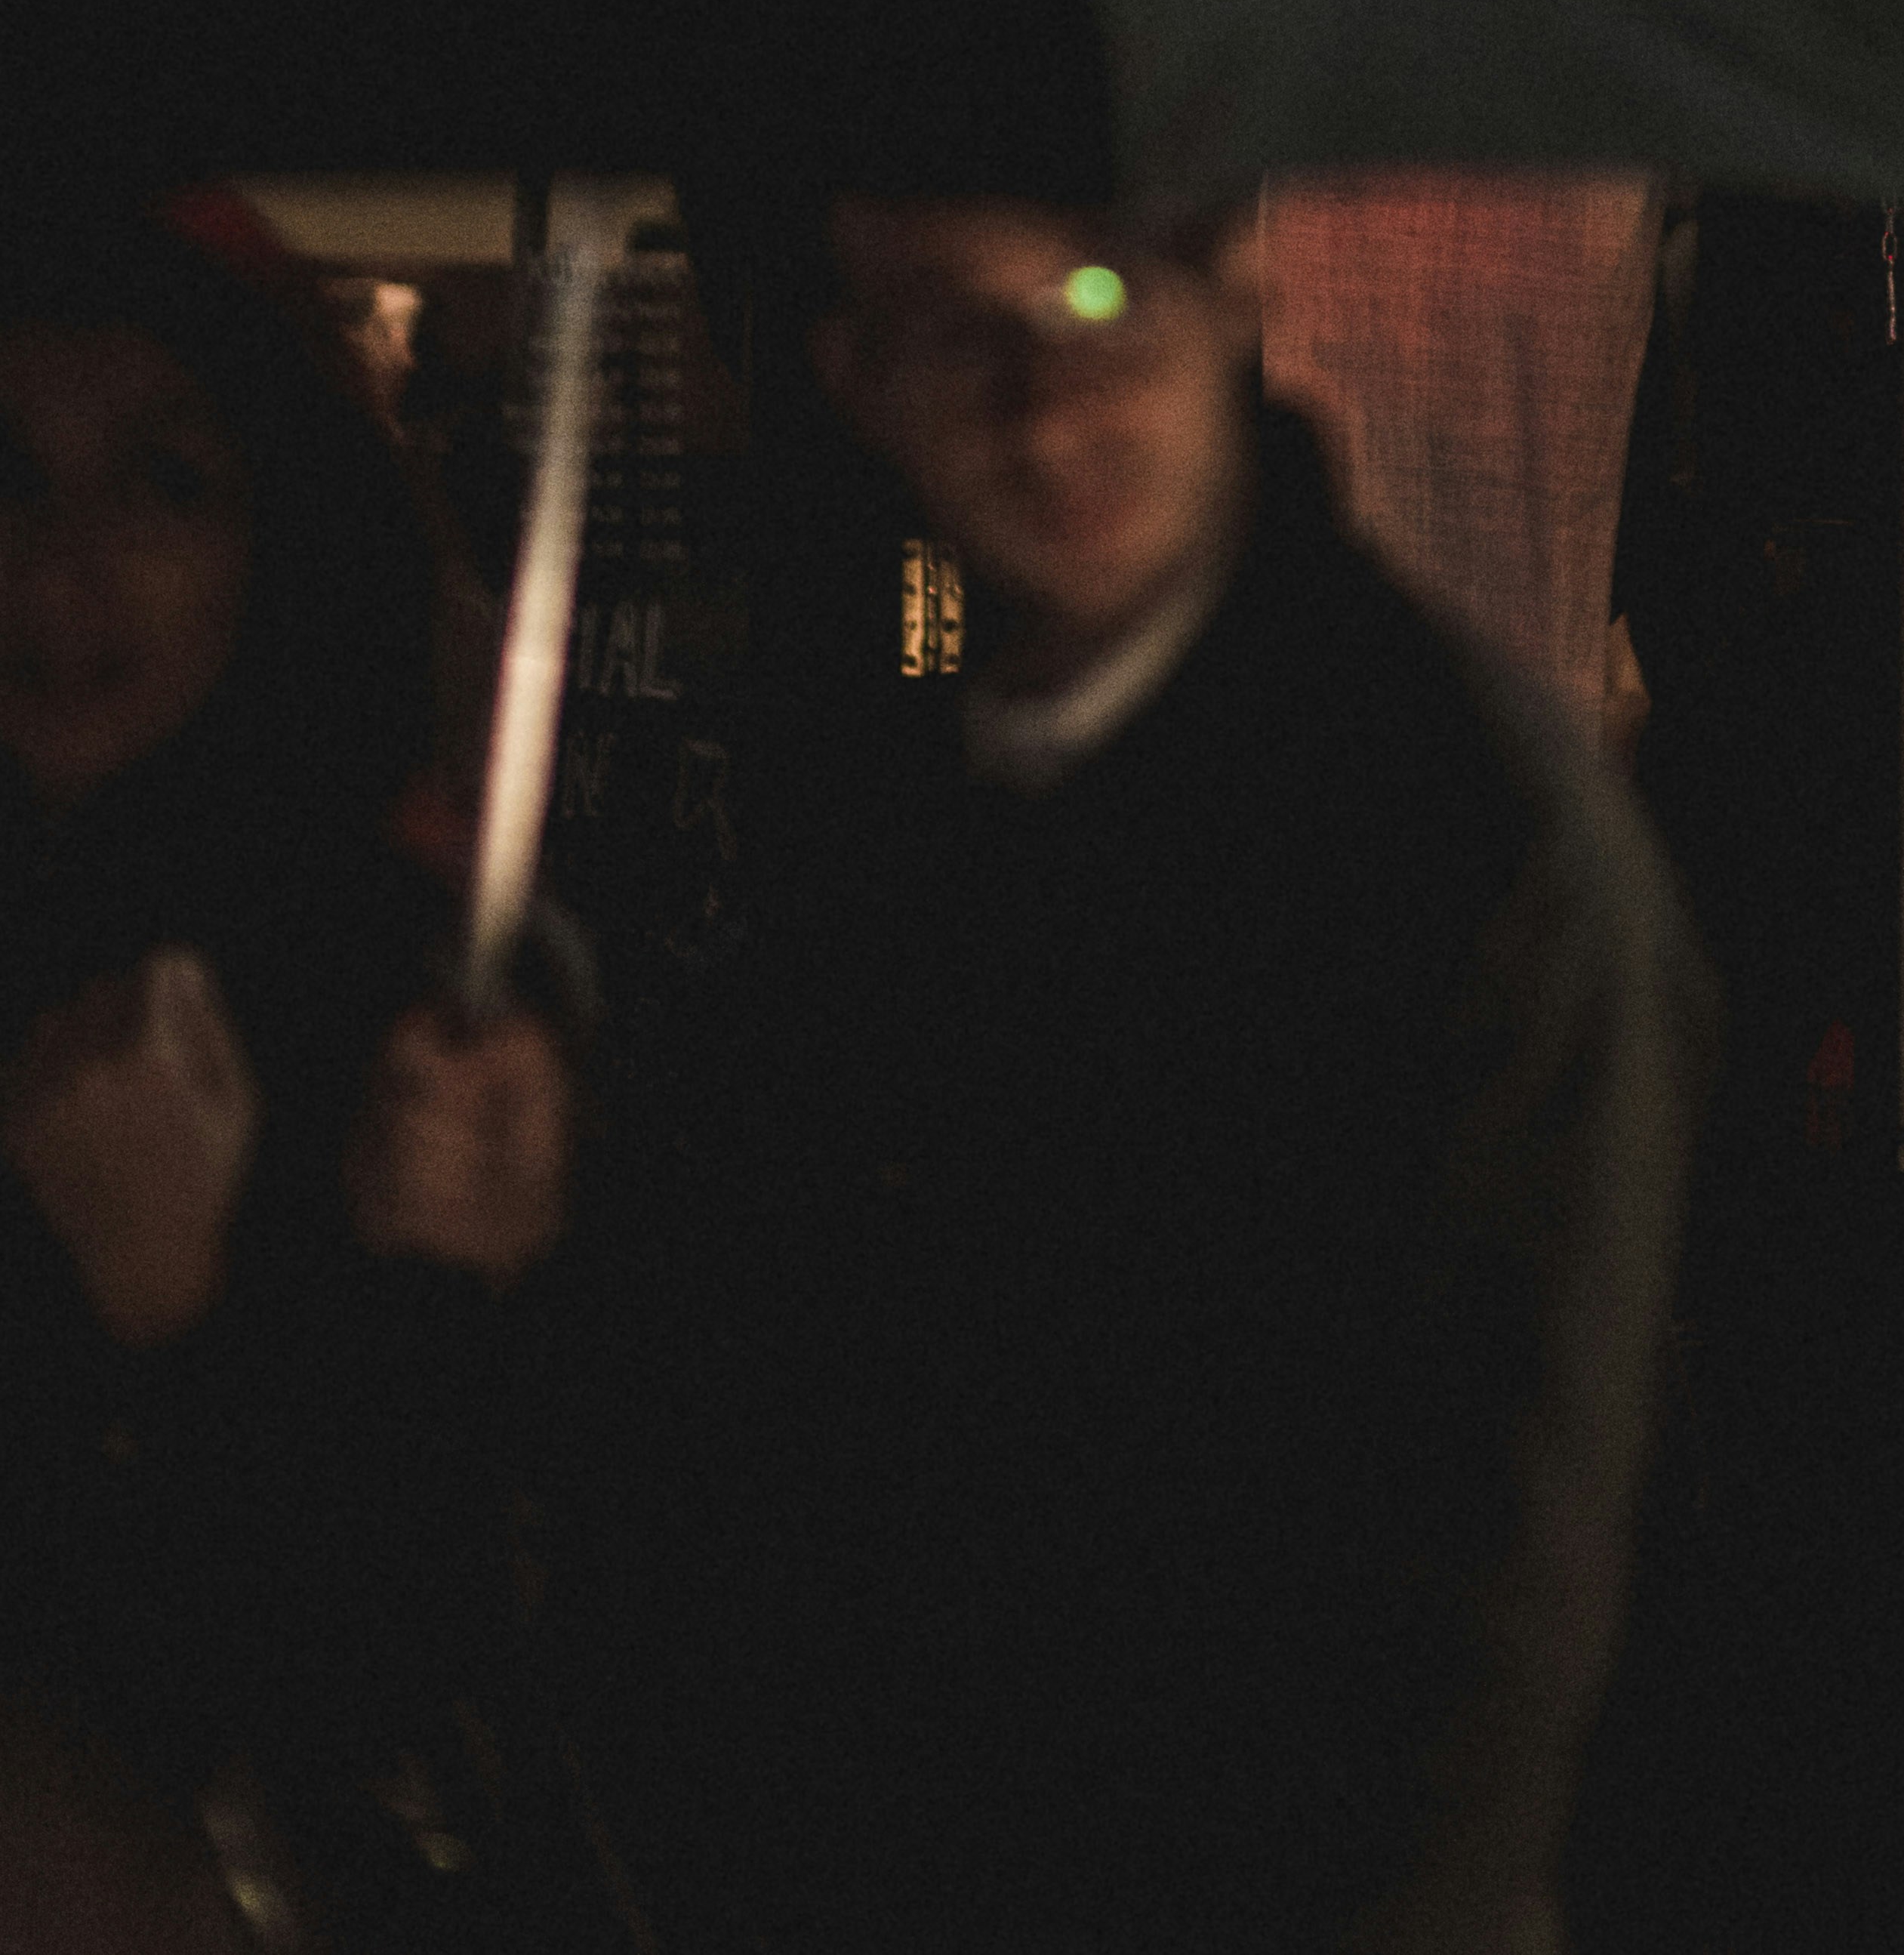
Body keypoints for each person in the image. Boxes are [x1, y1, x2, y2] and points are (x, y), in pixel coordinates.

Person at [585, 190, 1709, 1955]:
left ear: (1234, 300)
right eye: (961, 333)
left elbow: (1484, 1592)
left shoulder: (1446, 833)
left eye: (1102, 297)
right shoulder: (945, 820)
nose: (1045, 406)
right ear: (855, 377)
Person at [0, 193, 578, 1946]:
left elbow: (402, 1692)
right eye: (2, 476)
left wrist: (171, 1303)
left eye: (166, 484)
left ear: (281, 535)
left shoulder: (423, 1001)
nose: (59, 563)